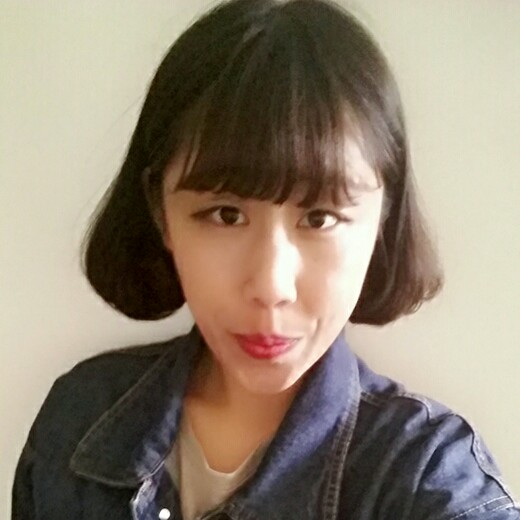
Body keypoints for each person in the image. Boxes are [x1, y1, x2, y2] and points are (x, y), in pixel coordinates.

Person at [11, 0, 519, 518]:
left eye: (320, 218)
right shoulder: (78, 418)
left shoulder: (426, 477)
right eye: (225, 215)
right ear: (161, 213)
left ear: (382, 223)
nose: (271, 286)